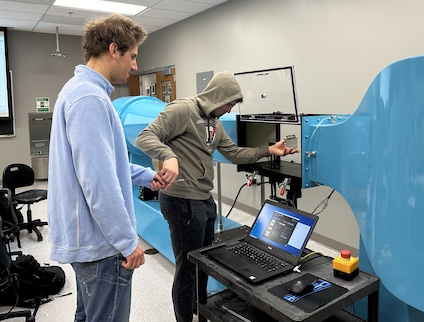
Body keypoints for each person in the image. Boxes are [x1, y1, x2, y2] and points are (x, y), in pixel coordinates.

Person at [135, 71, 299, 322]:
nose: (231, 108)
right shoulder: (182, 111)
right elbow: (145, 137)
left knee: (204, 263)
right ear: (218, 96)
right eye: (230, 103)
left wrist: (269, 151)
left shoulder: (216, 122)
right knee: (188, 267)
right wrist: (168, 156)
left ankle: (198, 309)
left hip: (203, 199)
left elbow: (233, 154)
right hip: (181, 200)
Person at [47, 13, 166, 322]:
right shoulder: (89, 98)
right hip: (101, 244)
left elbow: (106, 164)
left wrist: (146, 174)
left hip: (89, 240)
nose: (135, 65)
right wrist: (128, 242)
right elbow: (98, 182)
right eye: (133, 56)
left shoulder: (80, 91)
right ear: (114, 50)